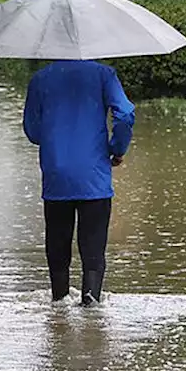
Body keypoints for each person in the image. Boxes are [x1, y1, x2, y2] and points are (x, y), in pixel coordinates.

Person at [23, 59, 135, 306]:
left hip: (56, 175)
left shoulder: (40, 79)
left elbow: (32, 130)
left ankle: (59, 305)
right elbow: (125, 114)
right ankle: (91, 304)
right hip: (94, 177)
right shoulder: (104, 75)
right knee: (93, 250)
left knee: (58, 248)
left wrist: (55, 137)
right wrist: (117, 148)